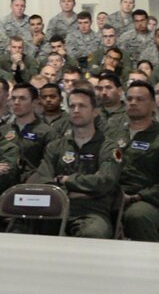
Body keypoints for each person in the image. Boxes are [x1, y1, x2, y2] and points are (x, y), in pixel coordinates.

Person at [30, 87, 122, 238]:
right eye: (72, 106)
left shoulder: (108, 147)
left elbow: (105, 182)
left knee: (94, 233)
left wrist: (66, 180)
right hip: (54, 208)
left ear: (95, 111)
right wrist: (73, 193)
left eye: (82, 106)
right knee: (20, 225)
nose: (76, 110)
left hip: (91, 212)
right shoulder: (55, 146)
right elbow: (44, 180)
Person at [115, 80, 159, 242]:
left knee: (137, 216)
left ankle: (154, 260)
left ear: (153, 105)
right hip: (111, 195)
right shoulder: (113, 135)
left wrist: (137, 197)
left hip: (146, 200)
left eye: (140, 99)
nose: (133, 103)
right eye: (130, 99)